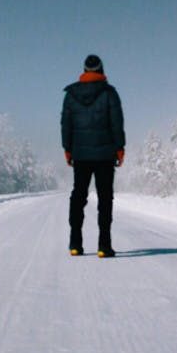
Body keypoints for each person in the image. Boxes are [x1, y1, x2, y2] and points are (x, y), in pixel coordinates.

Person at [62, 54, 125, 257]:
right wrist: (120, 148)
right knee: (105, 198)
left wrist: (68, 149)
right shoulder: (110, 93)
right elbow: (117, 122)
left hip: (80, 154)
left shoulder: (71, 95)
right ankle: (104, 246)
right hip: (105, 155)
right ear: (101, 70)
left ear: (84, 70)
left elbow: (66, 124)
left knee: (78, 196)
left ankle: (75, 243)